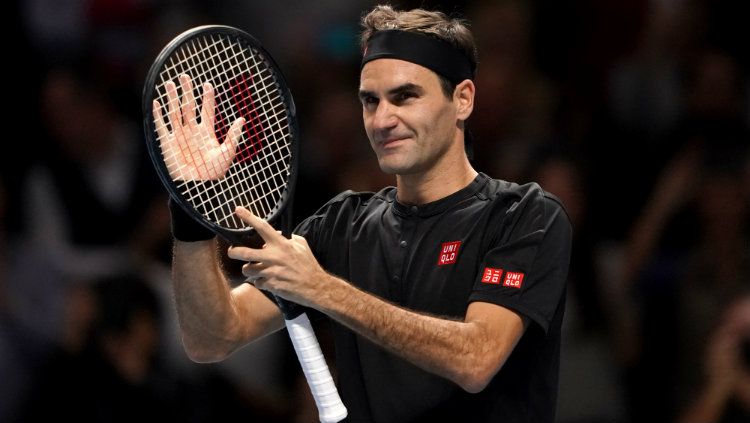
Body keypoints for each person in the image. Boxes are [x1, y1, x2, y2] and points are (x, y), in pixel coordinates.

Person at [160, 5, 571, 422]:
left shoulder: (525, 216)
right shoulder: (340, 225)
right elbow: (211, 339)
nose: (382, 119)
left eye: (405, 96)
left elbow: (477, 359)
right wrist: (189, 209)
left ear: (462, 99)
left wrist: (322, 289)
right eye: (370, 101)